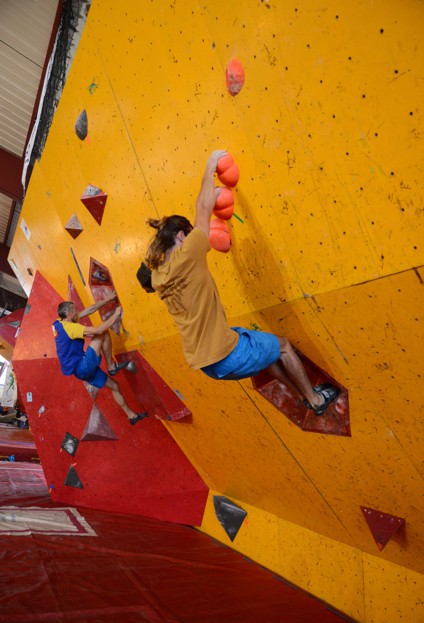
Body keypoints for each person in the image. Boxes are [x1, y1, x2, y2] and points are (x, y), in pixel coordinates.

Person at [144, 151, 340, 416]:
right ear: (181, 236)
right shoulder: (188, 253)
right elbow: (203, 207)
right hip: (226, 354)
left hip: (206, 362)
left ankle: (301, 396)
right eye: (189, 235)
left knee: (263, 349)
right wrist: (210, 166)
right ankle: (316, 400)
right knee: (283, 346)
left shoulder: (158, 277)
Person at [52, 293, 146, 425]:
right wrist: (116, 314)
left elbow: (89, 310)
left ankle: (132, 416)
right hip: (82, 366)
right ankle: (111, 367)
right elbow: (98, 330)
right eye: (75, 310)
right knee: (103, 333)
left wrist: (108, 299)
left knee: (115, 386)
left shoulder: (60, 323)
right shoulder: (71, 328)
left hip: (80, 372)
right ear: (68, 313)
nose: (77, 312)